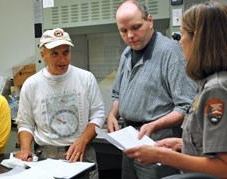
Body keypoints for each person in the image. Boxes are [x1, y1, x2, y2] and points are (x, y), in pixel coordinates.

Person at [124, 1, 227, 178]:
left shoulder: (216, 90)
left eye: (183, 34)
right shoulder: (208, 83)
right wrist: (181, 143)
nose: (180, 42)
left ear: (199, 40)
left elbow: (223, 168)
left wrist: (162, 156)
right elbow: (210, 145)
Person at [107, 0, 197, 178]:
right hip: (129, 139)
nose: (130, 35)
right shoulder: (126, 53)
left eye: (135, 27)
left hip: (158, 141)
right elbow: (118, 93)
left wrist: (154, 125)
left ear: (150, 21)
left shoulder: (171, 52)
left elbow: (185, 107)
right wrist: (112, 114)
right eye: (123, 31)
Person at [14, 28, 105, 179]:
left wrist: (82, 141)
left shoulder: (86, 78)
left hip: (81, 154)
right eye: (55, 54)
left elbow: (98, 114)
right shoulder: (32, 84)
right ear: (43, 55)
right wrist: (24, 149)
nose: (62, 59)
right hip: (46, 156)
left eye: (66, 52)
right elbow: (25, 123)